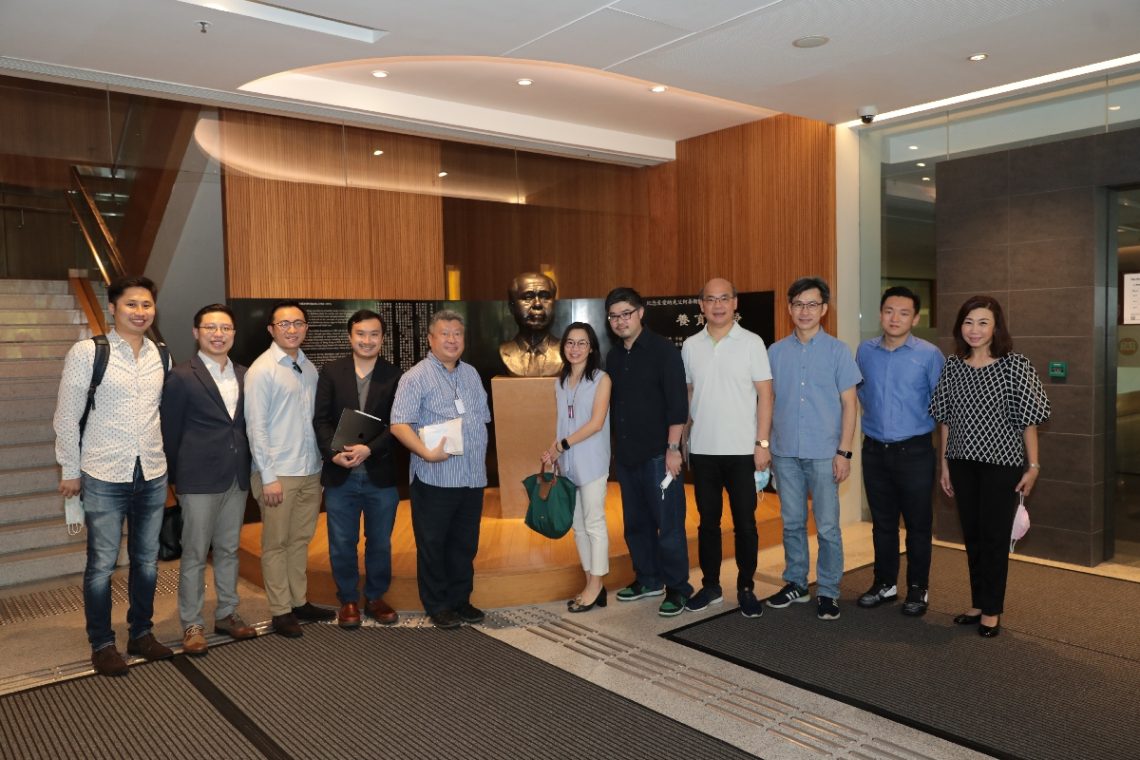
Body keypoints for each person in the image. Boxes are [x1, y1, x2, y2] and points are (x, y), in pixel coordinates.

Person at [53, 275, 173, 676]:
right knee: (102, 563)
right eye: (131, 305)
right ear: (113, 307)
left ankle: (141, 633)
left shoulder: (162, 354)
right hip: (103, 472)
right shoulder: (88, 352)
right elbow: (67, 415)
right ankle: (102, 644)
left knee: (147, 561)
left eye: (146, 305)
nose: (140, 312)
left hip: (152, 471)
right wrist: (70, 470)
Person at [930, 295, 1050, 637]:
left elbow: (1029, 421)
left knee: (995, 537)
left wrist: (1034, 466)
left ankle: (992, 610)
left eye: (983, 322)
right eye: (968, 322)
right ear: (960, 327)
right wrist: (945, 465)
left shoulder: (1015, 365)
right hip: (961, 462)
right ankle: (979, 602)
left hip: (1003, 465)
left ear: (996, 327)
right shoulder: (953, 365)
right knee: (973, 536)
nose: (975, 330)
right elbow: (945, 419)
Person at [161, 303, 257, 656]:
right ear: (196, 333)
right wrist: (175, 479)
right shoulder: (182, 376)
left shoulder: (247, 374)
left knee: (230, 549)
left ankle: (227, 612)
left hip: (236, 476)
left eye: (226, 328)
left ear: (234, 333)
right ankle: (192, 623)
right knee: (196, 553)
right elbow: (169, 431)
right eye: (211, 328)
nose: (219, 334)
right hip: (198, 477)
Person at [766, 277, 861, 621]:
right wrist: (762, 444)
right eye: (798, 305)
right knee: (791, 522)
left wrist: (844, 452)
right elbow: (767, 400)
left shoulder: (838, 351)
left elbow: (850, 404)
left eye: (812, 305)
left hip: (825, 452)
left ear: (824, 309)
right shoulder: (775, 352)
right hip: (785, 451)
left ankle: (829, 590)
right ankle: (795, 582)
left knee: (827, 527)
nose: (804, 311)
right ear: (789, 308)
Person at [390, 310, 492, 629]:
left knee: (464, 543)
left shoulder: (472, 374)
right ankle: (437, 604)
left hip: (472, 477)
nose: (452, 339)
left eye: (457, 333)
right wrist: (425, 452)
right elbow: (399, 424)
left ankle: (460, 600)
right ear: (431, 339)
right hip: (435, 477)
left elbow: (481, 420)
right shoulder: (415, 377)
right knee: (433, 544)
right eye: (444, 333)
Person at [681, 277, 773, 618]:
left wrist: (762, 443)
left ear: (735, 303)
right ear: (701, 305)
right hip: (703, 450)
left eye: (724, 298)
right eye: (710, 299)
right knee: (707, 523)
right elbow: (689, 394)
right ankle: (711, 586)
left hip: (742, 451)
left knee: (745, 524)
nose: (717, 305)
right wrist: (682, 439)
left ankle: (746, 587)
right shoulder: (691, 345)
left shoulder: (752, 342)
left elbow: (766, 395)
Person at [245, 300, 334, 638]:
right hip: (277, 474)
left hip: (310, 470)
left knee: (300, 540)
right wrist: (267, 477)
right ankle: (281, 610)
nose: (292, 329)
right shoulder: (262, 370)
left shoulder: (308, 368)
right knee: (275, 543)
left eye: (298, 323)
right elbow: (256, 428)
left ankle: (299, 601)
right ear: (271, 329)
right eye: (284, 324)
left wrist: (321, 467)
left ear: (306, 329)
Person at [855, 286, 944, 617]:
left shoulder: (929, 355)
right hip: (875, 450)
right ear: (880, 313)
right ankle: (885, 583)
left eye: (904, 313)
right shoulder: (864, 351)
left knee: (919, 524)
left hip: (916, 451)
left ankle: (918, 589)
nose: (895, 318)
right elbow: (861, 396)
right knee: (883, 523)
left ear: (915, 318)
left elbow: (942, 407)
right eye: (889, 311)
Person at [604, 287, 692, 617]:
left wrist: (673, 449)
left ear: (641, 312)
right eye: (614, 316)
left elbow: (677, 405)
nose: (620, 321)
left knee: (668, 525)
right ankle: (648, 578)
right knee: (636, 524)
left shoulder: (663, 351)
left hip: (659, 455)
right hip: (627, 456)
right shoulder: (614, 356)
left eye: (627, 313)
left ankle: (678, 588)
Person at [313, 309, 402, 628]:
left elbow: (397, 424)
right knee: (341, 541)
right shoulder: (332, 371)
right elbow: (321, 420)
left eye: (374, 334)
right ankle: (348, 599)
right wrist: (332, 453)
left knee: (380, 540)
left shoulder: (394, 375)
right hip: (340, 475)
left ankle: (375, 597)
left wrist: (369, 448)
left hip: (380, 475)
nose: (367, 340)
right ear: (350, 337)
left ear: (382, 338)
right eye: (361, 334)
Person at [541, 322, 612, 613]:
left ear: (592, 347)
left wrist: (562, 445)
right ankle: (590, 582)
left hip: (592, 460)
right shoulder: (560, 382)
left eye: (582, 343)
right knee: (578, 527)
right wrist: (553, 450)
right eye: (570, 342)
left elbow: (596, 423)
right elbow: (562, 423)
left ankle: (596, 586)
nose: (575, 348)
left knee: (594, 523)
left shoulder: (602, 379)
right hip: (568, 462)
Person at [499, 272, 563, 377]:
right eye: (528, 297)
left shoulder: (566, 353)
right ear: (511, 307)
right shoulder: (504, 352)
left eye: (545, 297)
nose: (537, 304)